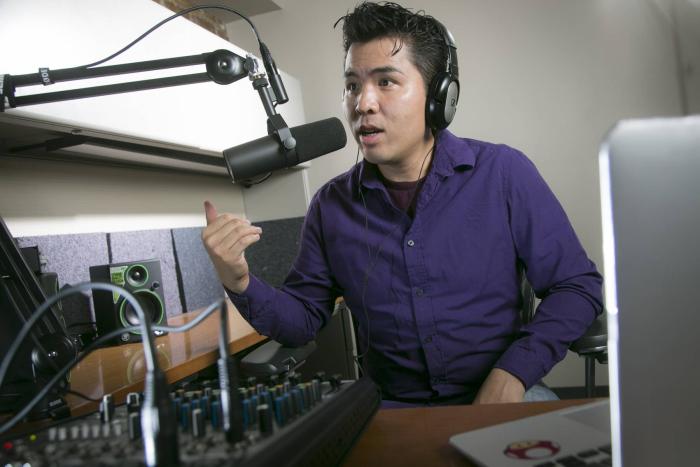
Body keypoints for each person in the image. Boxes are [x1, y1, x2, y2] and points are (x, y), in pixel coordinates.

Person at [202, 1, 603, 406]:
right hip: (394, 408)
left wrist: (513, 374)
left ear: (439, 96)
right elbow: (302, 321)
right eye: (352, 86)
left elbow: (577, 287)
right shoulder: (331, 206)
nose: (363, 104)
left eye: (386, 82)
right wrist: (240, 282)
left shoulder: (503, 173)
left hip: (506, 393)